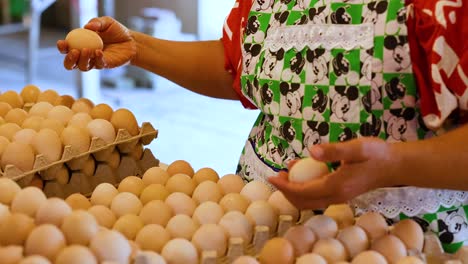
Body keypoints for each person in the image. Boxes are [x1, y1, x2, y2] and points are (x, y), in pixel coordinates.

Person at [58, 0, 467, 253]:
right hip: (259, 224)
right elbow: (238, 64)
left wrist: (392, 163)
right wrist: (139, 48)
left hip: (394, 239)